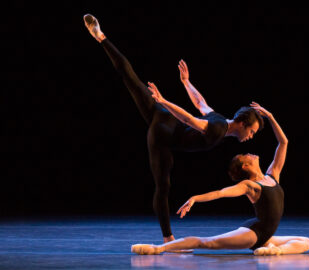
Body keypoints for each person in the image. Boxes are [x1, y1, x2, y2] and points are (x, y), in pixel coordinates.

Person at [83, 14, 264, 244]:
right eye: (252, 131)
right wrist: (164, 100)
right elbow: (190, 120)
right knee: (163, 186)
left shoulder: (221, 120)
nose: (251, 136)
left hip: (164, 118)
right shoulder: (218, 130)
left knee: (131, 80)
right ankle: (168, 238)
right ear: (242, 124)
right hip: (163, 136)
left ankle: (101, 37)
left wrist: (186, 83)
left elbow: (201, 104)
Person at [131, 103, 309, 256]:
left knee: (306, 241)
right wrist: (195, 198)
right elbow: (220, 193)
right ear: (245, 166)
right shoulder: (249, 185)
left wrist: (270, 116)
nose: (250, 152)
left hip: (266, 236)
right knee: (206, 243)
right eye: (245, 155)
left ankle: (275, 251)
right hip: (253, 233)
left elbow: (284, 142)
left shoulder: (272, 175)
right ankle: (158, 248)